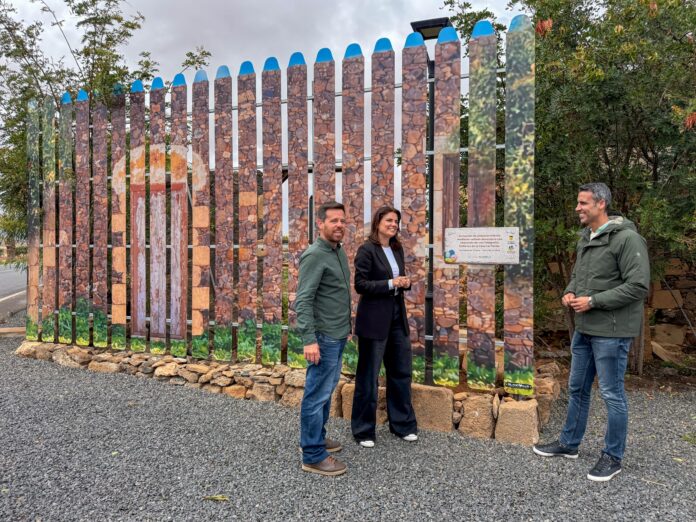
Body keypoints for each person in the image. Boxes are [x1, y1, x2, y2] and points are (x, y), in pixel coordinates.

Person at [533, 182, 650, 482]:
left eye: (583, 203)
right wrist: (570, 291)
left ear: (601, 204)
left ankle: (613, 456)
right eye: (578, 202)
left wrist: (594, 301)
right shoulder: (586, 237)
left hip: (611, 332)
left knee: (611, 393)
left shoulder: (627, 239)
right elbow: (578, 276)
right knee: (577, 389)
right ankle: (569, 444)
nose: (578, 208)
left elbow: (638, 286)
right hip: (584, 330)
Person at [351, 205, 418, 448]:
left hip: (397, 318)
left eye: (396, 221)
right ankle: (363, 431)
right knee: (368, 377)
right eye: (389, 220)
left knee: (401, 372)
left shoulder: (397, 249)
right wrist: (391, 283)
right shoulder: (366, 250)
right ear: (378, 222)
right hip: (374, 321)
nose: (394, 224)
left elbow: (397, 280)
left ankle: (403, 425)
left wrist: (404, 283)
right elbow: (360, 284)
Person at [296, 201, 352, 476]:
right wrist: (309, 339)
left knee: (325, 392)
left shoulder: (337, 251)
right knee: (316, 395)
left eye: (342, 220)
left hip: (337, 334)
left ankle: (316, 437)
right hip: (323, 337)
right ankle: (312, 454)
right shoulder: (315, 255)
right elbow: (303, 300)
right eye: (333, 220)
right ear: (320, 224)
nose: (339, 225)